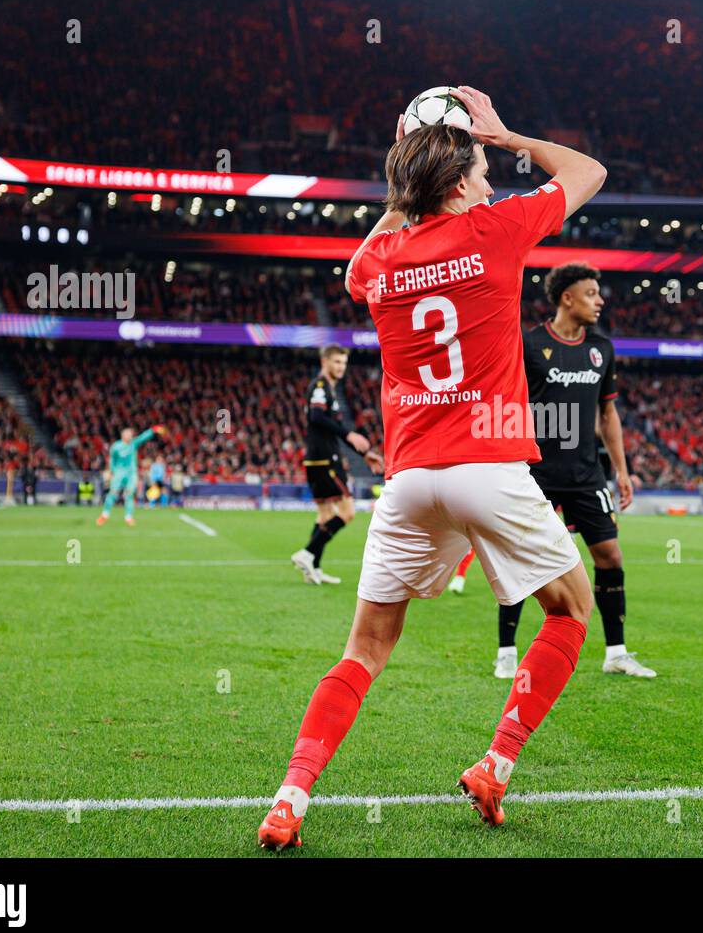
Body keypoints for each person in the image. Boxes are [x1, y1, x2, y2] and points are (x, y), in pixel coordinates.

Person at [258, 86, 608, 849]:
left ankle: (290, 797)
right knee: (571, 610)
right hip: (489, 461)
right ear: (458, 180)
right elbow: (587, 170)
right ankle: (495, 766)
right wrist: (505, 132)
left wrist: (409, 173)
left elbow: (357, 269)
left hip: (410, 477)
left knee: (364, 651)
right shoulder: (498, 227)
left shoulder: (382, 257)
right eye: (480, 164)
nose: (490, 173)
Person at [492, 262, 653, 680]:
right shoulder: (529, 345)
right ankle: (506, 653)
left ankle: (616, 652)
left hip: (586, 474)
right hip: (537, 474)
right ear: (568, 298)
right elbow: (508, 405)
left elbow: (608, 413)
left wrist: (622, 470)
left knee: (610, 555)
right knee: (520, 559)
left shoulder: (602, 348)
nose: (599, 301)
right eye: (591, 293)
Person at [291, 345, 382, 585]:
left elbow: (335, 432)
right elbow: (317, 417)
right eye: (337, 362)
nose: (341, 367)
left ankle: (314, 568)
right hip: (326, 459)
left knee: (325, 515)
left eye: (343, 363)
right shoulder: (321, 387)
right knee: (347, 512)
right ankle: (307, 553)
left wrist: (363, 454)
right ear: (325, 361)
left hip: (317, 459)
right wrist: (350, 436)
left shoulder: (328, 388)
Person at [96, 425, 166, 527]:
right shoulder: (116, 446)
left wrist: (153, 429)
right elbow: (112, 460)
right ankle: (104, 515)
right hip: (119, 473)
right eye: (128, 434)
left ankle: (128, 517)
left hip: (131, 473)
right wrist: (111, 472)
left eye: (131, 434)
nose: (130, 436)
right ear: (123, 435)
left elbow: (143, 436)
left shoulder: (133, 443)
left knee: (129, 495)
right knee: (113, 493)